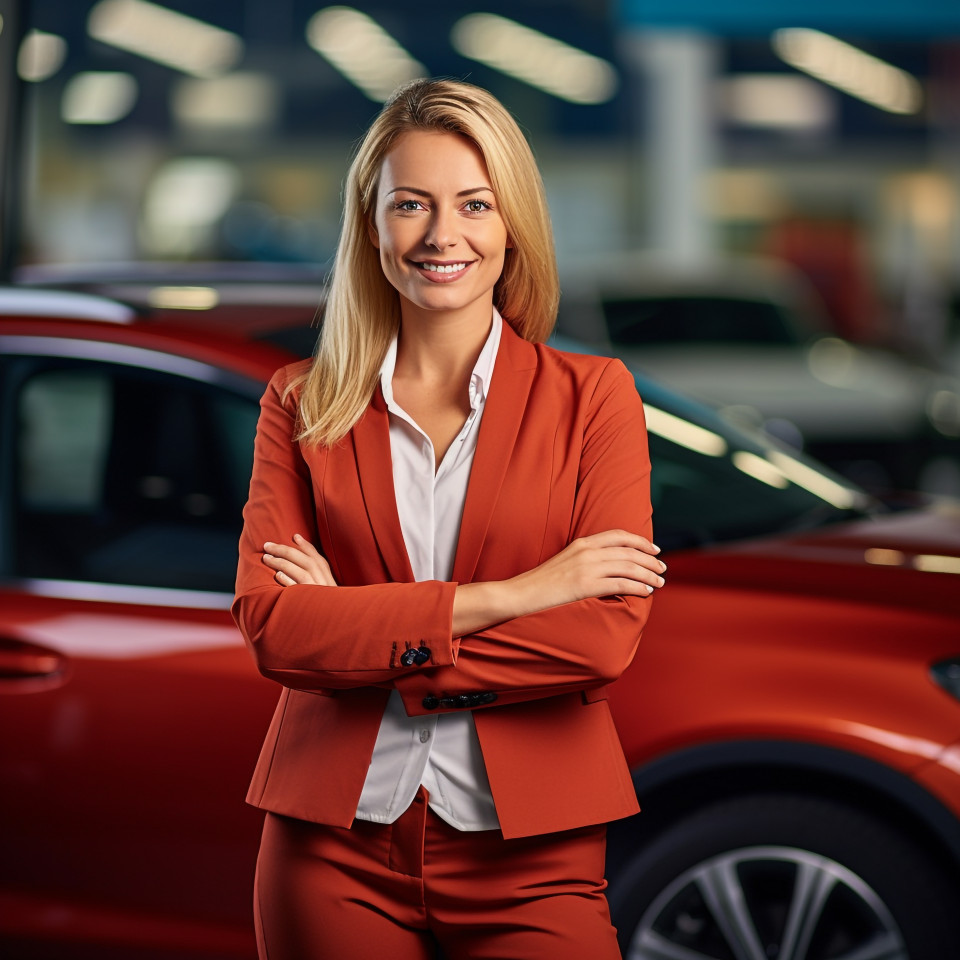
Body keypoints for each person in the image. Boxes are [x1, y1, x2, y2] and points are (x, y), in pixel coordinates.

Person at [232, 77, 666, 960]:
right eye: (411, 205)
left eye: (474, 203)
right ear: (371, 225)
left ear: (512, 225)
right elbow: (279, 631)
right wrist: (522, 592)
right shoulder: (301, 403)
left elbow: (599, 640)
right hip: (329, 844)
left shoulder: (596, 398)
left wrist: (363, 633)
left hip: (535, 850)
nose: (442, 236)